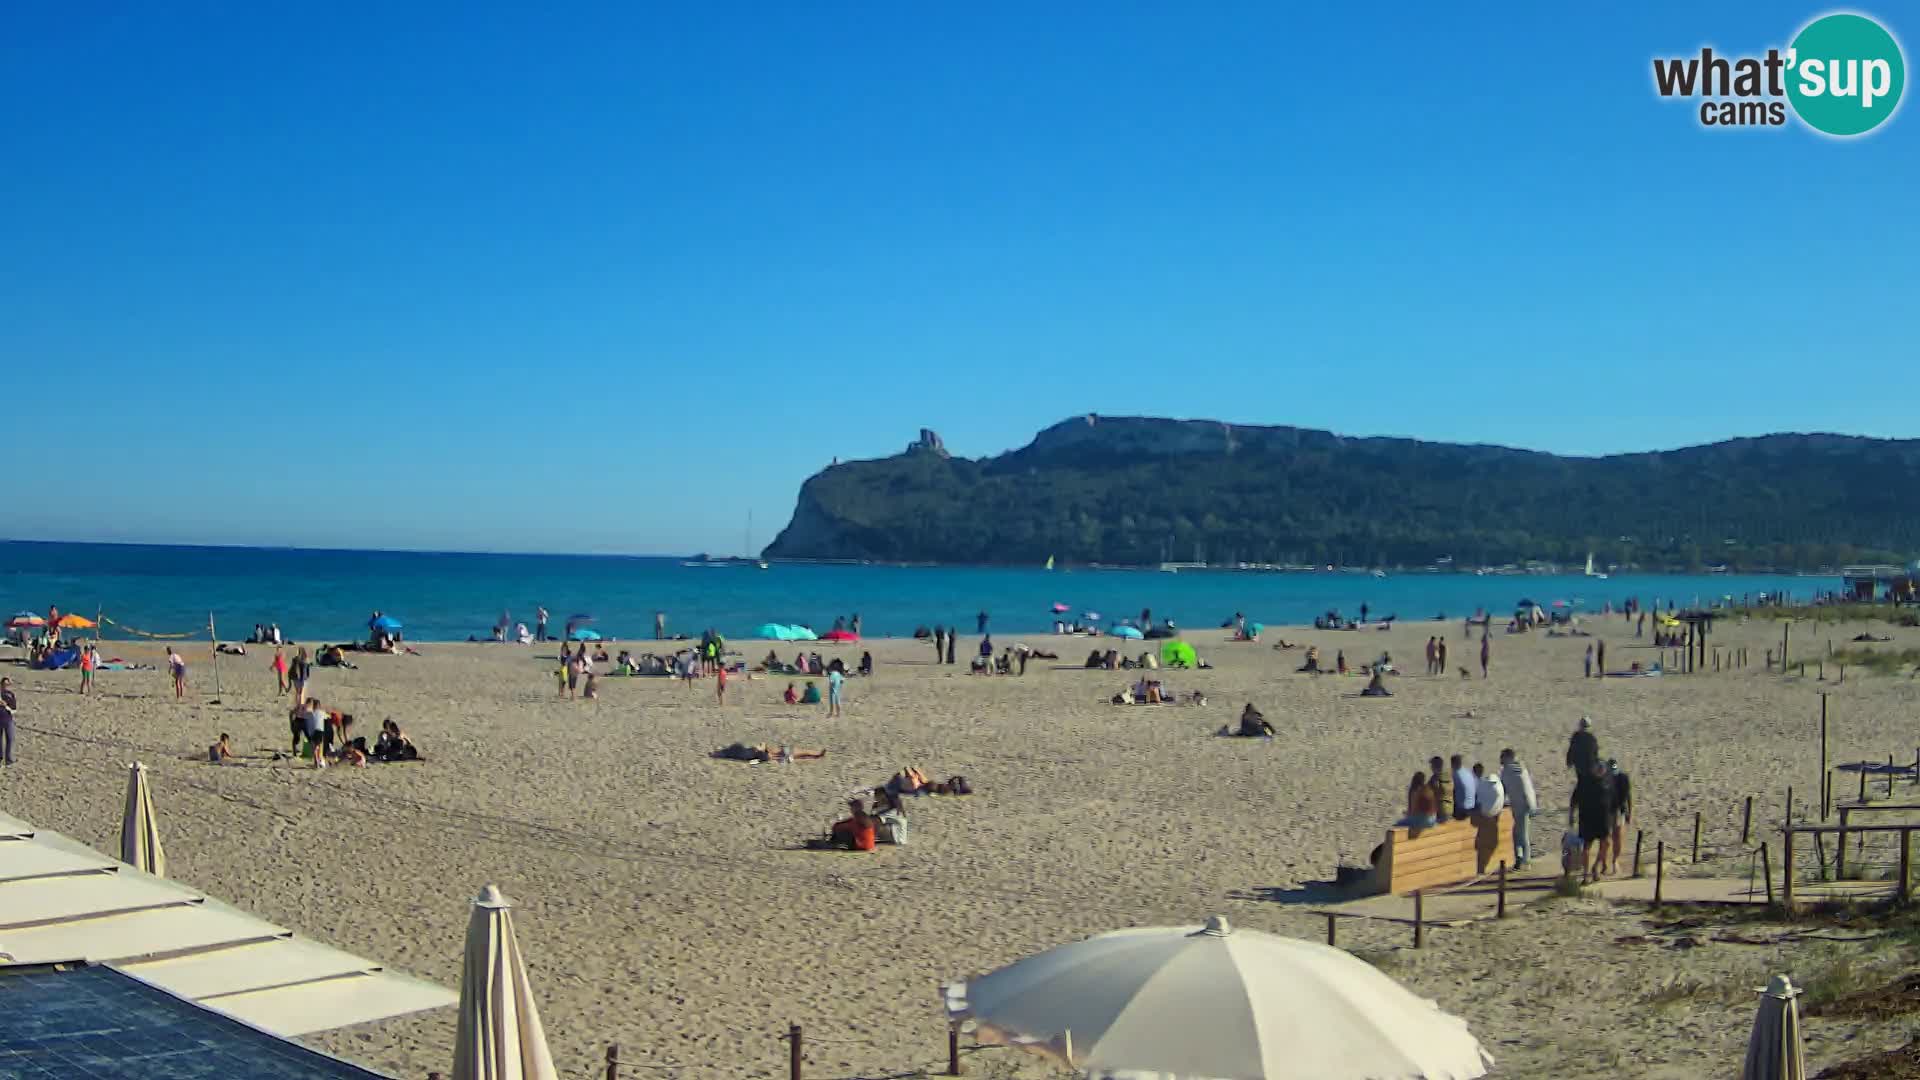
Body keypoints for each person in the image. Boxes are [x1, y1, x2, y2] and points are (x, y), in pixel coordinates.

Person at [1572, 760, 1614, 883]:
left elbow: (1613, 799)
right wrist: (1571, 815)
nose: (1600, 769)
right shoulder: (1584, 782)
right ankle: (1586, 874)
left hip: (1603, 818)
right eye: (1598, 767)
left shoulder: (1607, 781)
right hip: (1587, 818)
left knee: (1606, 843)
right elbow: (1574, 799)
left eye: (1602, 767)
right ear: (1592, 769)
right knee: (1587, 847)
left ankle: (1596, 866)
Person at [1500, 748, 1539, 868]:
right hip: (1523, 805)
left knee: (1521, 834)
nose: (1500, 759)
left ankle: (1525, 861)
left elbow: (1505, 789)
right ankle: (1520, 859)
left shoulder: (1511, 770)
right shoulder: (1518, 769)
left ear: (1507, 758)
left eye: (1502, 757)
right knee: (1518, 833)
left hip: (1522, 806)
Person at [1607, 759, 1633, 875]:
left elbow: (1628, 796)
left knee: (1617, 837)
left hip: (1618, 811)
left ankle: (1614, 860)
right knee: (1606, 838)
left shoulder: (1623, 778)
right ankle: (1604, 862)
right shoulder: (1602, 778)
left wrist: (1629, 813)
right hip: (1605, 812)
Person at [1451, 754, 1476, 821]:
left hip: (1462, 810)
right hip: (1472, 806)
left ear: (1453, 764)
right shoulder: (1468, 772)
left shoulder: (1455, 774)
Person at [0, 677, 17, 766]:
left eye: (8, 684)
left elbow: (14, 710)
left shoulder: (11, 695)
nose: (6, 686)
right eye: (4, 684)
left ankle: (9, 759)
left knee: (10, 739)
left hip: (8, 720)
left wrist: (6, 706)